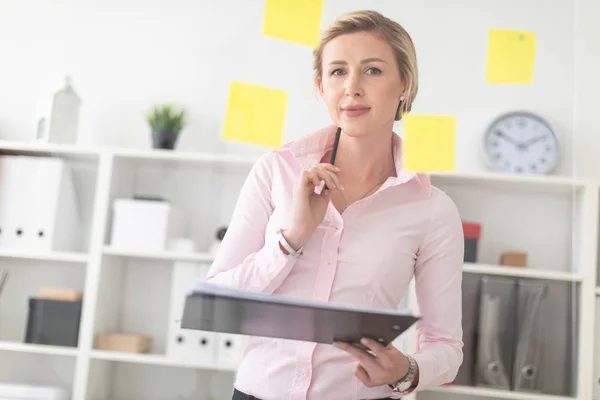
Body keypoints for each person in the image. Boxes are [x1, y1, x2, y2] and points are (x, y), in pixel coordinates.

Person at [204, 9, 464, 400]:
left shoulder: (431, 209)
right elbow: (214, 302)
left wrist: (406, 369)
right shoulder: (275, 171)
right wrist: (290, 239)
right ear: (321, 86)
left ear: (405, 85)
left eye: (373, 71)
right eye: (338, 71)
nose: (352, 87)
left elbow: (446, 346)